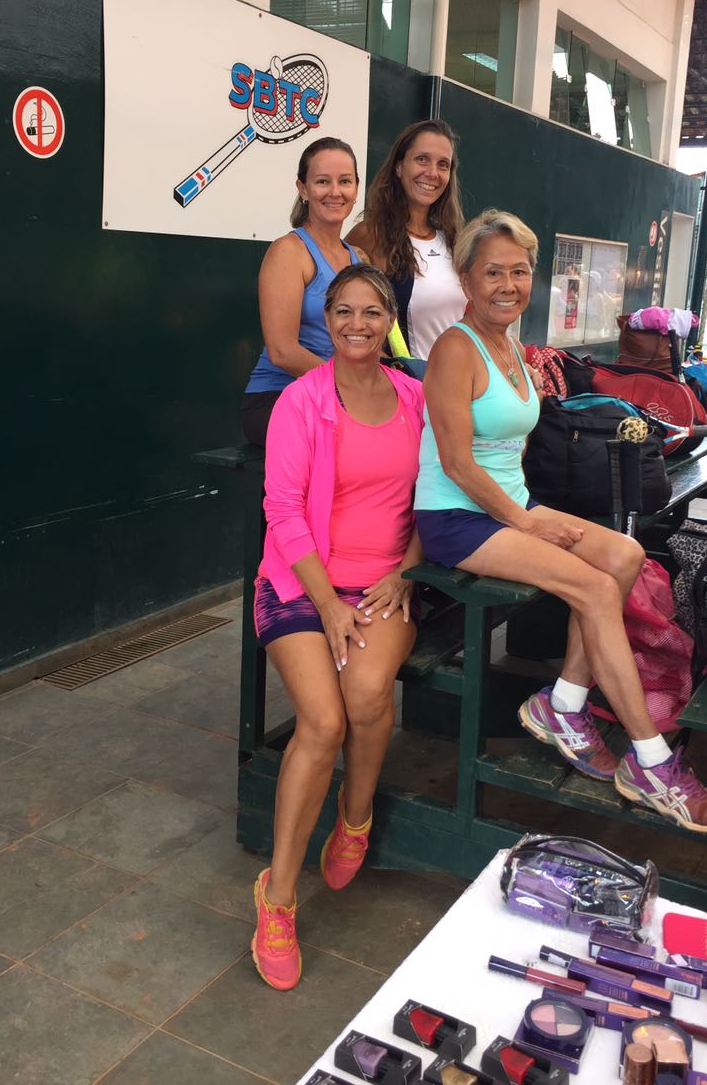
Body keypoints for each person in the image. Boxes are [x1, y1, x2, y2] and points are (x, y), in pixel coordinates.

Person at [415, 209, 707, 835]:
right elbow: (455, 462)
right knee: (593, 587)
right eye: (492, 272)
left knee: (625, 555)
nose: (508, 285)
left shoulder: (511, 346)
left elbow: (509, 452)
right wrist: (527, 523)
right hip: (457, 515)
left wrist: (530, 514)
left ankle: (563, 702)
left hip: (510, 506)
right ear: (466, 278)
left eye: (519, 271)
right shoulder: (455, 348)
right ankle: (652, 763)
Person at [250, 263, 425, 991]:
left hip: (385, 581)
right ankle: (277, 898)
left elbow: (439, 496)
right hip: (301, 583)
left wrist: (407, 570)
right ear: (327, 320)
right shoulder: (301, 401)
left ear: (389, 321)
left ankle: (355, 817)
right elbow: (282, 508)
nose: (357, 323)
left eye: (371, 311)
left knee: (368, 694)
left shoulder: (416, 398)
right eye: (343, 311)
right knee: (320, 723)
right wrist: (326, 603)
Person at [240, 137, 363, 446]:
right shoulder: (289, 251)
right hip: (279, 396)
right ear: (303, 189)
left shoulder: (360, 259)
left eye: (344, 181)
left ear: (356, 189)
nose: (335, 191)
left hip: (340, 395)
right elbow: (282, 351)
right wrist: (351, 385)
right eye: (322, 181)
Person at [347, 120, 465, 358]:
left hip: (457, 378)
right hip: (402, 379)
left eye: (443, 164)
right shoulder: (370, 235)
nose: (432, 173)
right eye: (422, 159)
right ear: (399, 166)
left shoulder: (456, 239)